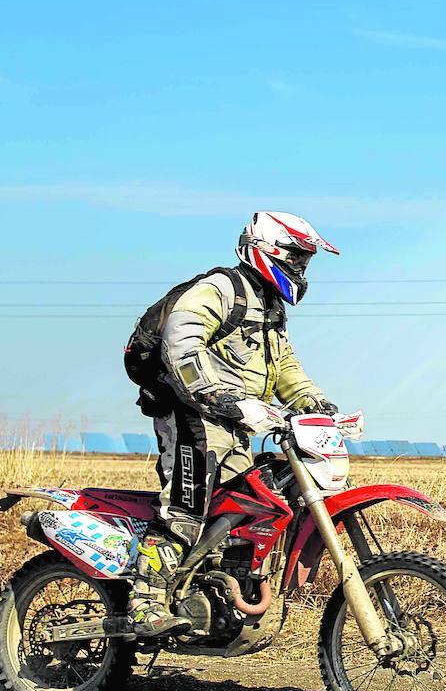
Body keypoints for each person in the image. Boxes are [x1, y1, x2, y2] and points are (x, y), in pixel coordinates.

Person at [129, 211, 340, 636]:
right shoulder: (220, 289)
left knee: (246, 507)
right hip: (191, 413)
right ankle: (144, 602)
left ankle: (215, 596)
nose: (301, 268)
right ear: (271, 251)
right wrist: (221, 397)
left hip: (235, 420)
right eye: (298, 258)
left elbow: (283, 366)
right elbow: (180, 344)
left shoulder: (269, 304)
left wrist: (316, 404)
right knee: (186, 509)